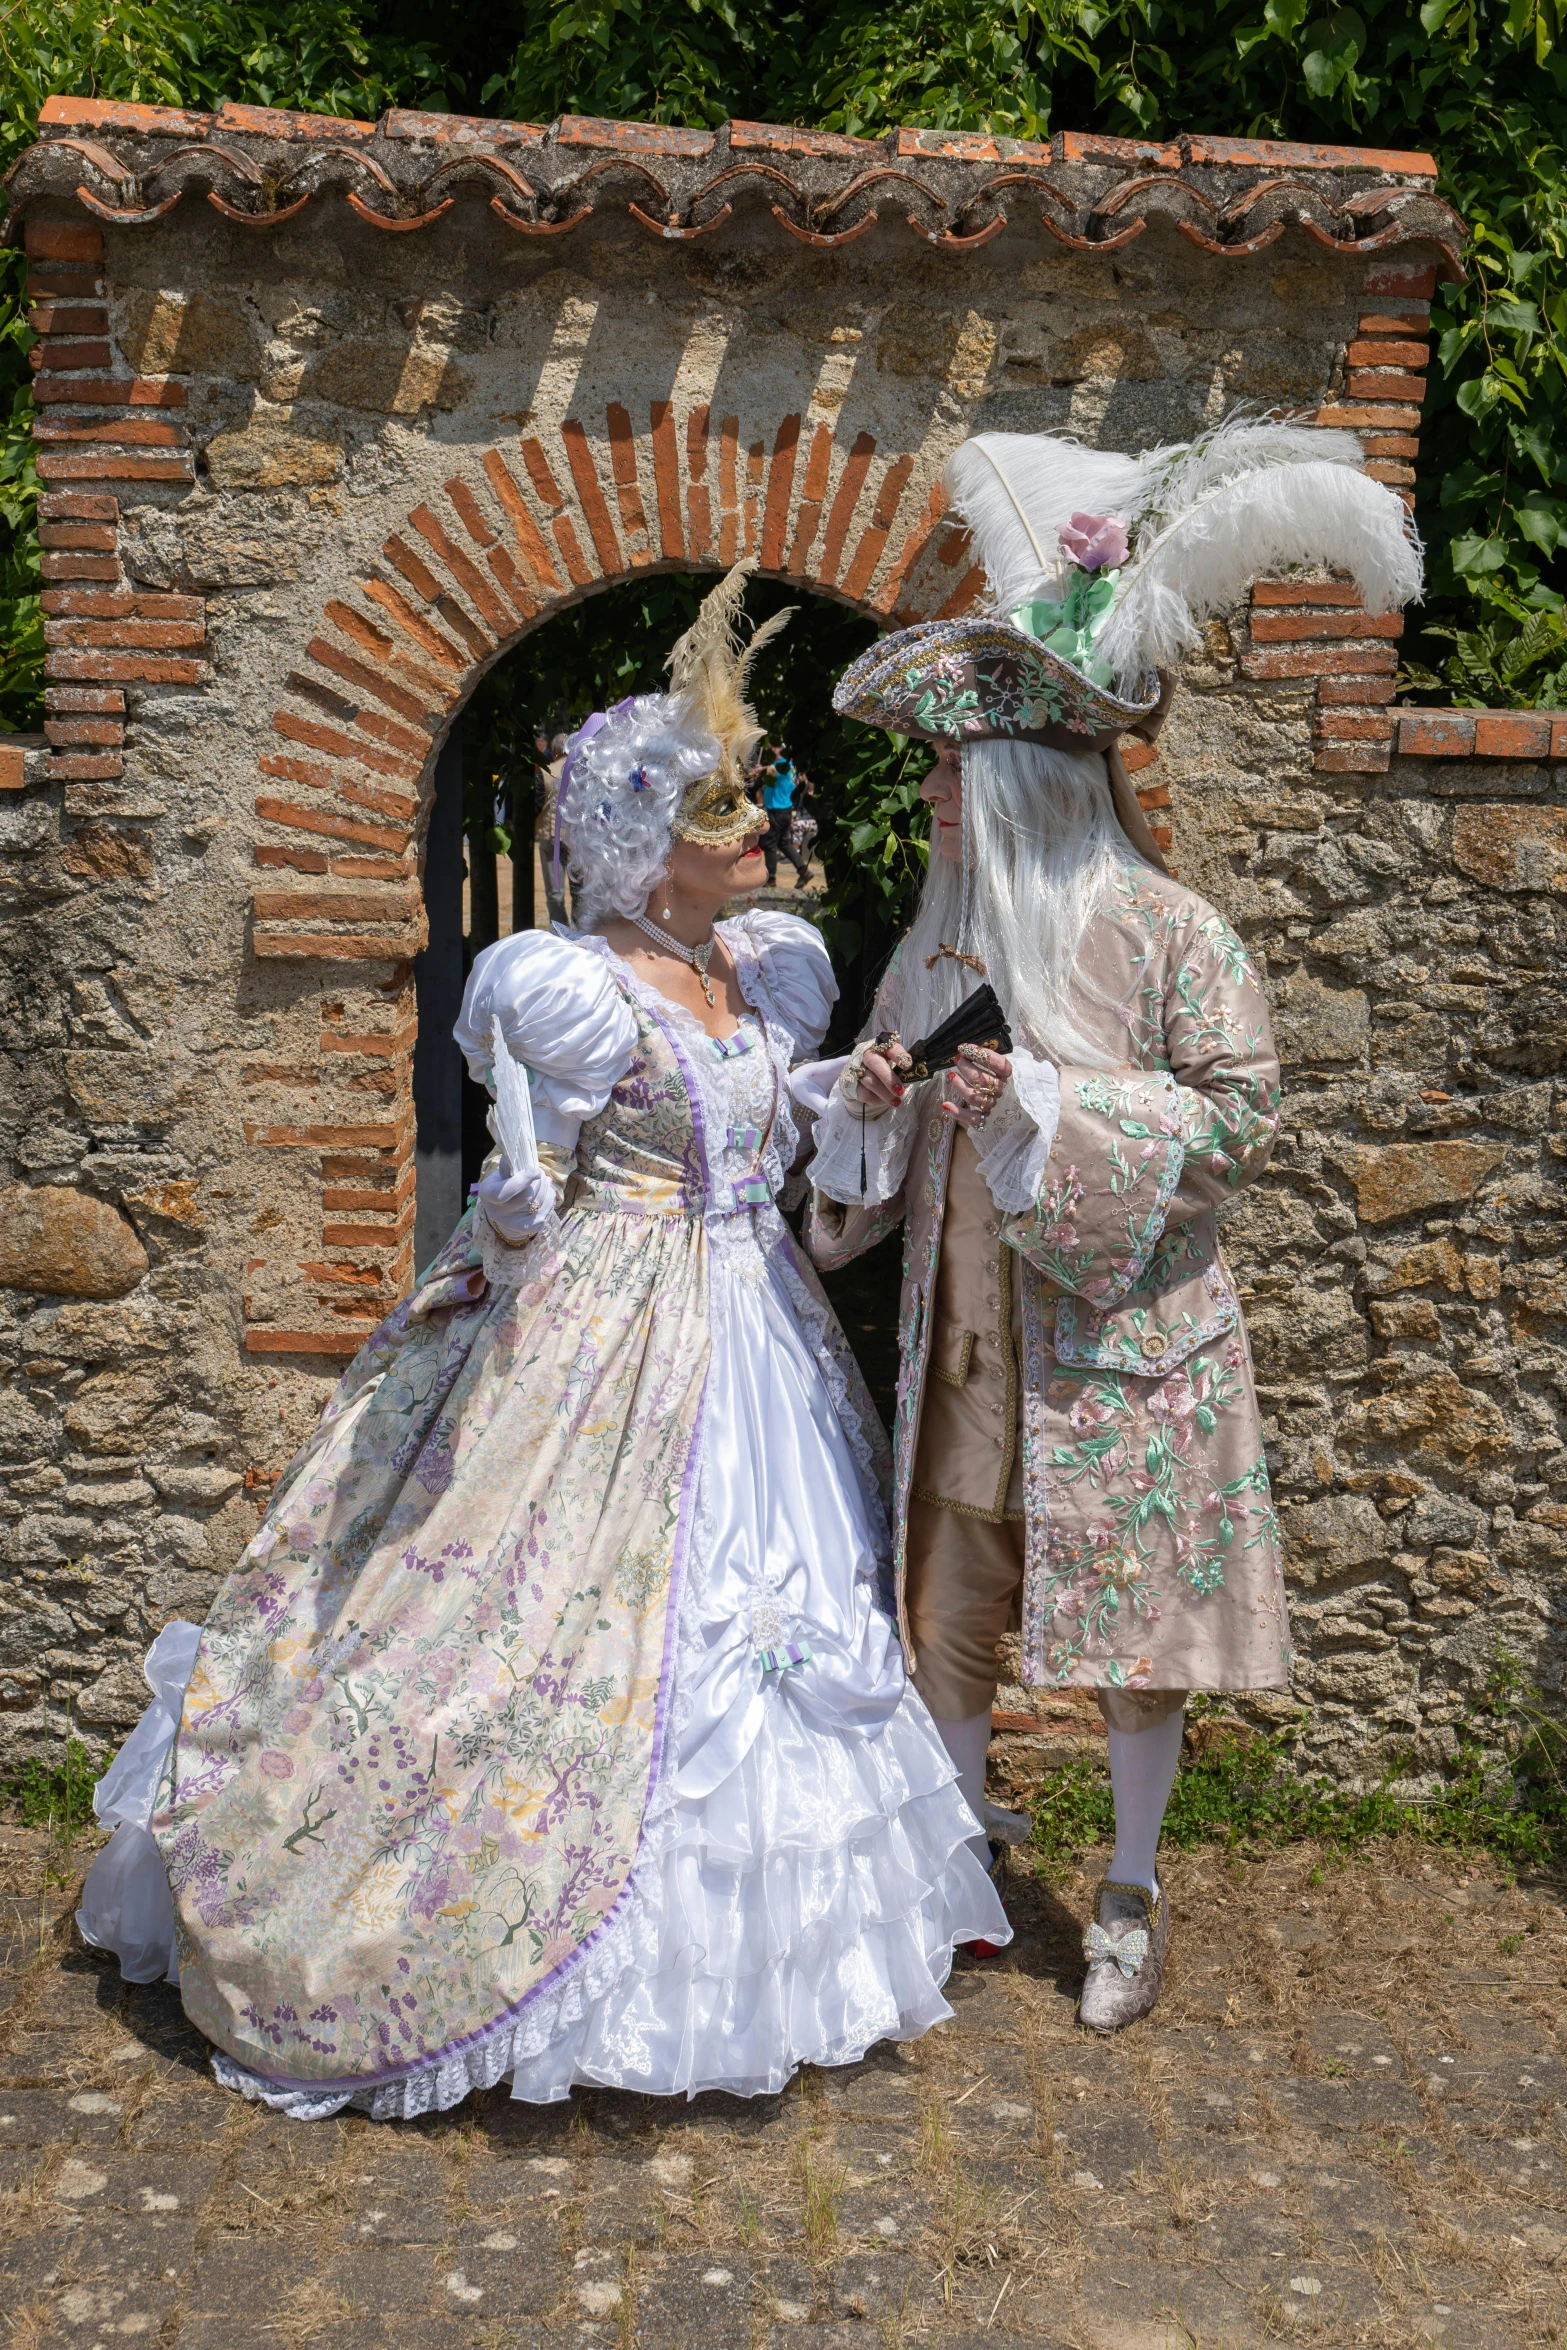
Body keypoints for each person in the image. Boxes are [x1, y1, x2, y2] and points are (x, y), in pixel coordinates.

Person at [76, 560, 1006, 2121]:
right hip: (607, 1328)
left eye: (747, 813)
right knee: (525, 1622)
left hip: (749, 1322)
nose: (753, 835)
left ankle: (764, 1962)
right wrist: (511, 1204)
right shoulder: (563, 987)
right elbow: (544, 1179)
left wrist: (850, 1085)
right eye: (722, 820)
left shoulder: (751, 967)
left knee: (776, 1622)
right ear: (649, 846)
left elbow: (752, 1126)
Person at [798, 414, 1423, 2030]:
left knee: (1139, 1619)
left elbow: (1234, 1119)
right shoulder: (931, 950)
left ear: (1013, 779)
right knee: (946, 1591)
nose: (931, 792)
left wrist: (1047, 1113)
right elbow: (852, 1195)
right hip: (969, 1345)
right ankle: (953, 1863)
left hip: (1126, 1348)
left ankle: (1129, 1891)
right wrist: (872, 1108)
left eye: (950, 768)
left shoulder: (1171, 934)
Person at [760, 742, 810, 887]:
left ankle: (770, 879)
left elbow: (770, 770)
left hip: (777, 810)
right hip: (786, 810)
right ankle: (803, 870)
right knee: (783, 843)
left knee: (770, 845)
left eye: (772, 748)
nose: (770, 750)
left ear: (779, 749)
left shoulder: (782, 765)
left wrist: (757, 770)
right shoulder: (791, 767)